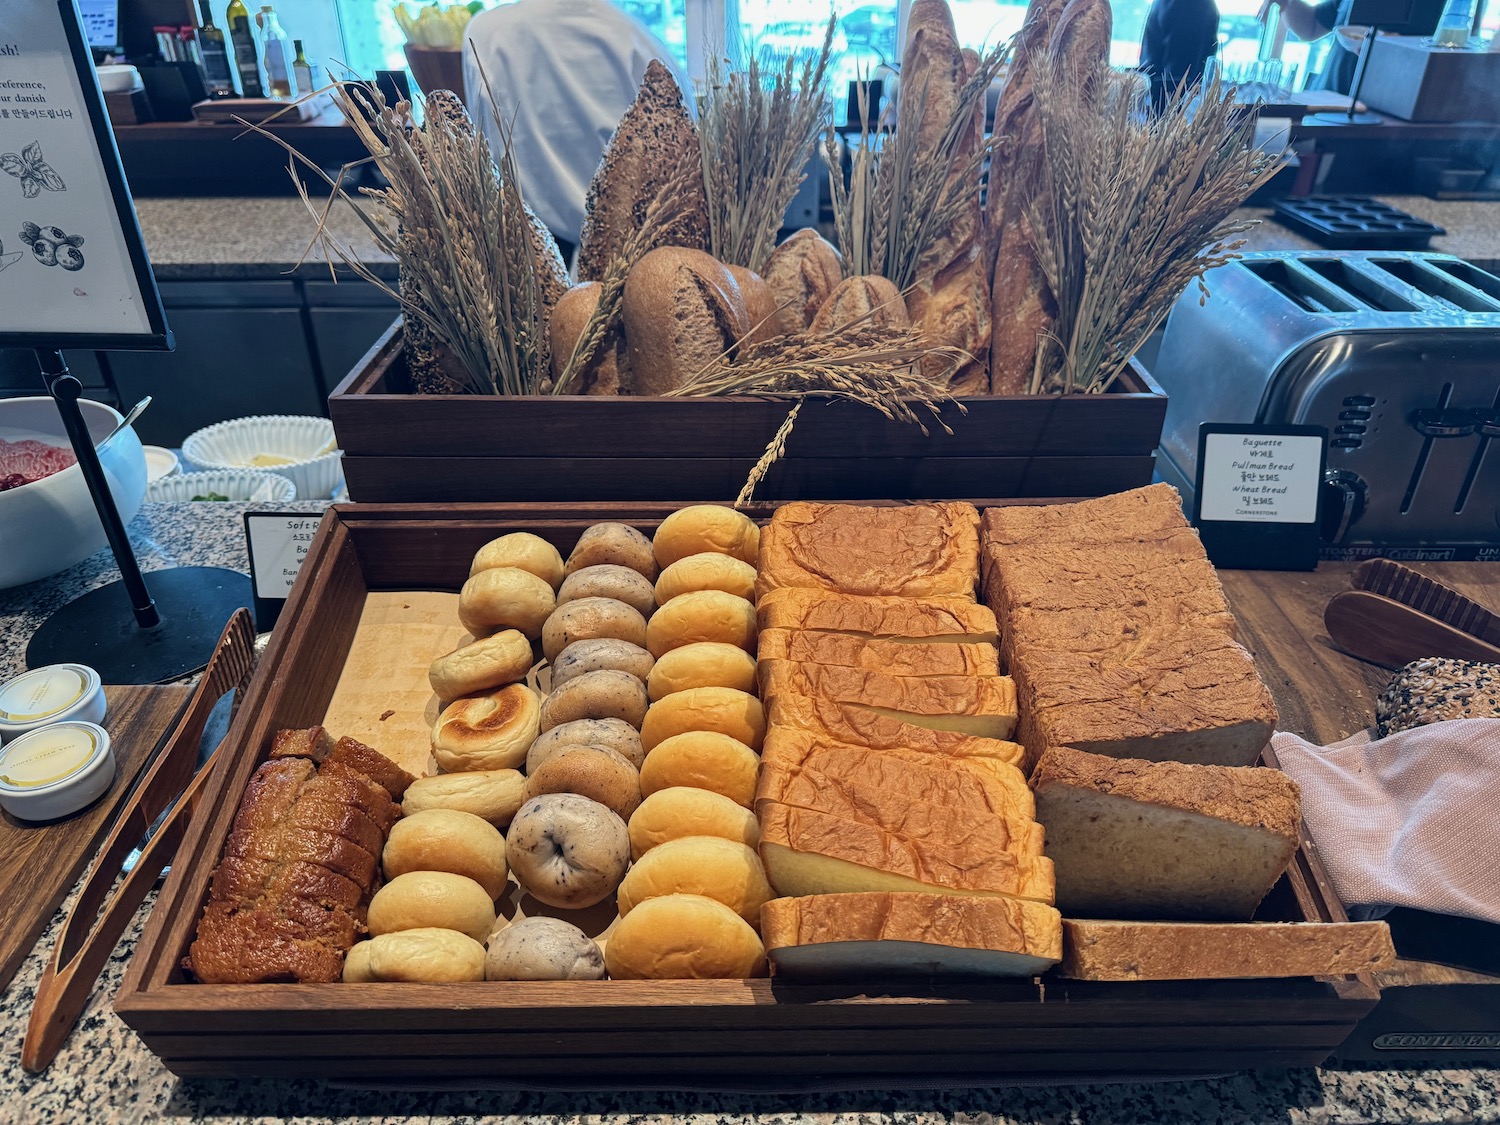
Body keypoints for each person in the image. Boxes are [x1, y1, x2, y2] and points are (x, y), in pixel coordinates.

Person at [462, 0, 692, 258]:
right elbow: (683, 168)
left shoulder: (485, 34)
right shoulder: (642, 43)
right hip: (625, 255)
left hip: (528, 258)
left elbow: (486, 155)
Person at [1139, 0, 1222, 112]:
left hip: (1170, 97)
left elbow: (1177, 70)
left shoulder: (1189, 5)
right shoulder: (1195, 5)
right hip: (1168, 97)